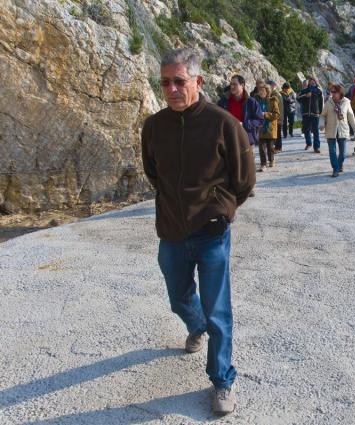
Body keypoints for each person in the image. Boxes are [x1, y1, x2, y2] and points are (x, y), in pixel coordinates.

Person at [141, 48, 255, 415]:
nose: (172, 89)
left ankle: (222, 381)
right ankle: (195, 324)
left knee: (218, 310)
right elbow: (153, 172)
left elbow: (244, 181)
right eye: (165, 82)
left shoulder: (224, 124)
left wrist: (221, 209)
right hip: (171, 232)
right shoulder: (154, 126)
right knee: (178, 298)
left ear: (198, 81)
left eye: (179, 81)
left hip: (210, 233)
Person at [320, 84, 355, 177]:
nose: (332, 93)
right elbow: (322, 115)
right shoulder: (328, 103)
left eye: (334, 92)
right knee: (332, 152)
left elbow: (351, 116)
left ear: (340, 93)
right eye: (331, 92)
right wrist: (321, 124)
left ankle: (339, 164)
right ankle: (335, 169)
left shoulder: (346, 102)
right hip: (331, 130)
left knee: (343, 153)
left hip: (343, 130)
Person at [256, 84, 280, 171]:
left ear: (267, 92)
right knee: (261, 147)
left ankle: (271, 160)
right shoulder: (257, 102)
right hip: (261, 127)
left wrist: (265, 114)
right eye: (259, 91)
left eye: (263, 91)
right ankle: (263, 164)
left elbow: (277, 114)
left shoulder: (273, 101)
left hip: (270, 127)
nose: (260, 92)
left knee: (270, 147)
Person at [298, 76, 324, 153]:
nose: (312, 82)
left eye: (313, 81)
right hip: (306, 114)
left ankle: (317, 147)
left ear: (315, 82)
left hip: (315, 113)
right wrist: (305, 96)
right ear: (309, 82)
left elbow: (321, 102)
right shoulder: (304, 90)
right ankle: (308, 143)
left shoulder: (319, 91)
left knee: (316, 131)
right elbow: (298, 98)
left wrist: (321, 112)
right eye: (310, 81)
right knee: (306, 130)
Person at [267, 80, 285, 153]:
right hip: (277, 116)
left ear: (272, 86)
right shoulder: (274, 93)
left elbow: (278, 107)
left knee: (278, 133)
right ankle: (277, 147)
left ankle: (278, 147)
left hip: (277, 116)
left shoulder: (275, 94)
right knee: (276, 132)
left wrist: (278, 118)